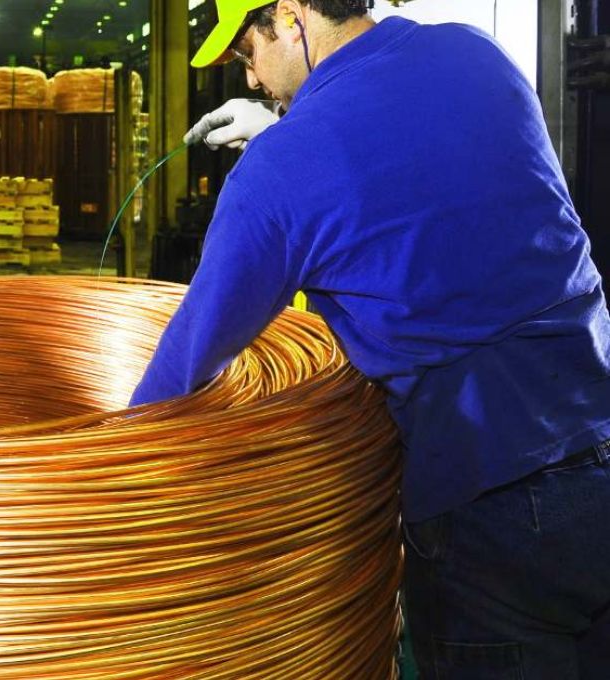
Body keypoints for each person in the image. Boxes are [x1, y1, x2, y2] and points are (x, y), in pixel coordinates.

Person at [130, 1, 610, 677]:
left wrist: (83, 486)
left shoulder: (277, 176)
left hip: (492, 510)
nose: (250, 81)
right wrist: (286, 131)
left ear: (292, 18)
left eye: (247, 52)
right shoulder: (476, 55)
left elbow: (186, 367)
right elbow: (420, 162)